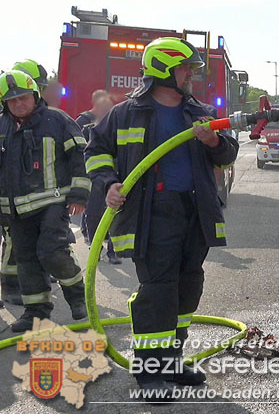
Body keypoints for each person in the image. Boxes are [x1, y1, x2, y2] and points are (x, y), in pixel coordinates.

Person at [85, 37, 239, 401]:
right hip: (153, 214)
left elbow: (228, 154)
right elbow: (95, 152)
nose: (191, 74)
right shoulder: (127, 113)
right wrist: (109, 184)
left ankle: (171, 361)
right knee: (158, 292)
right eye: (186, 68)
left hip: (194, 211)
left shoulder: (199, 113)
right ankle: (150, 372)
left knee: (188, 288)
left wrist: (213, 143)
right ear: (163, 70)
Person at [0, 70, 90, 332]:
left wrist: (79, 194)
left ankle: (77, 296)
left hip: (52, 203)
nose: (19, 103)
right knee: (26, 261)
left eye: (23, 97)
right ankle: (36, 313)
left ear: (35, 95)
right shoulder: (2, 126)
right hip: (15, 210)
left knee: (52, 252)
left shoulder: (56, 120)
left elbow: (79, 157)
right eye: (12, 100)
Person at [77, 91, 120, 264]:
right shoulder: (84, 124)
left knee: (115, 213)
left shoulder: (118, 124)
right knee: (93, 214)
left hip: (116, 176)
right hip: (94, 178)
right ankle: (96, 246)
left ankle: (113, 250)